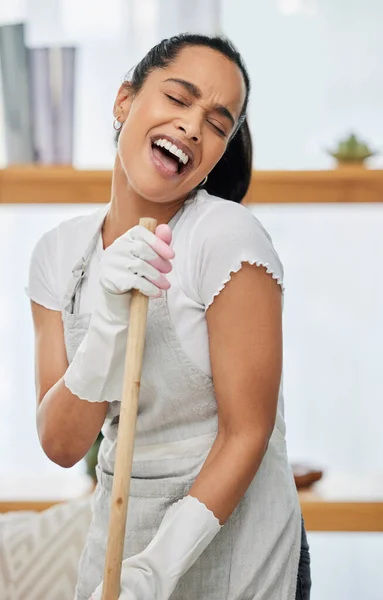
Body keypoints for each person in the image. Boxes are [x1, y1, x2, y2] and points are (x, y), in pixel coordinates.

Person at [27, 34, 311, 599]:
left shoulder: (226, 238)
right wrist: (106, 324)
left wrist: (157, 569)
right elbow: (62, 445)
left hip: (238, 542)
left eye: (216, 122)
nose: (191, 126)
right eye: (178, 98)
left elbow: (247, 433)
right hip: (121, 532)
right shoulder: (59, 255)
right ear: (124, 100)